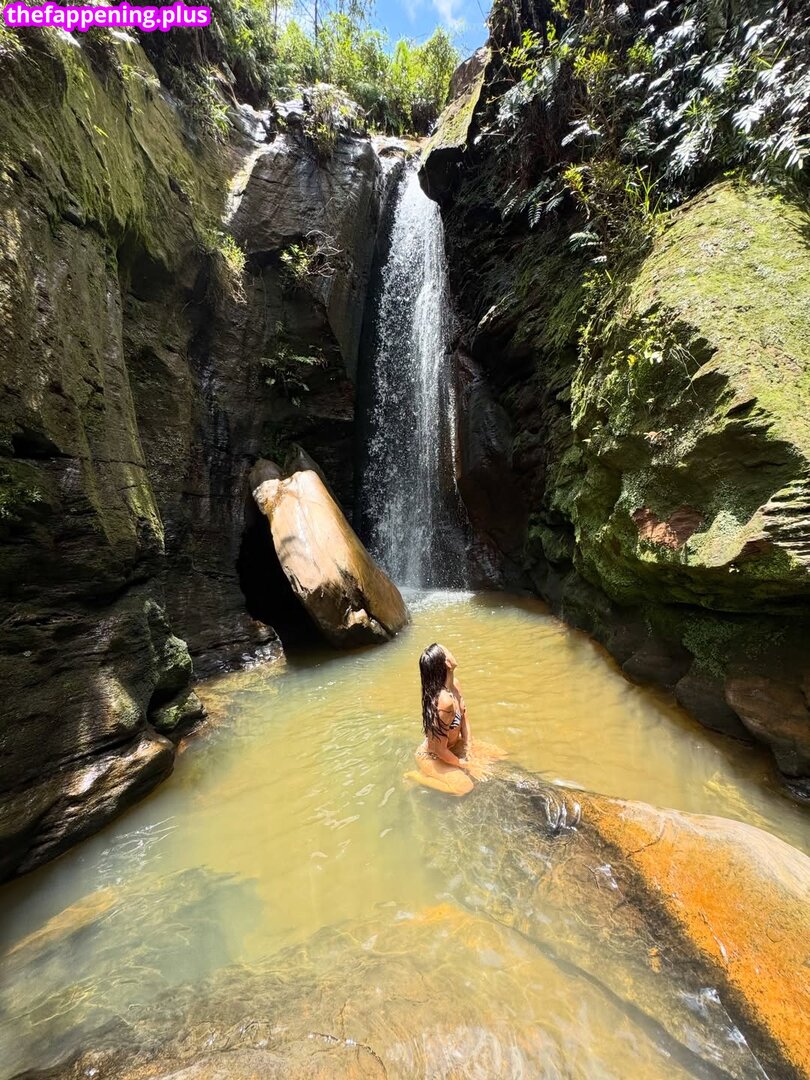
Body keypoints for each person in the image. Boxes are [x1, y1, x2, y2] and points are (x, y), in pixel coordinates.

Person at [412, 642, 492, 796]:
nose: (451, 651)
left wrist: (469, 748)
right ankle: (417, 776)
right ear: (447, 663)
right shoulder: (444, 701)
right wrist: (463, 764)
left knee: (498, 755)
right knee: (464, 787)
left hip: (454, 746)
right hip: (432, 756)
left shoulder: (455, 684)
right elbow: (439, 749)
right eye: (448, 650)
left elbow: (464, 717)